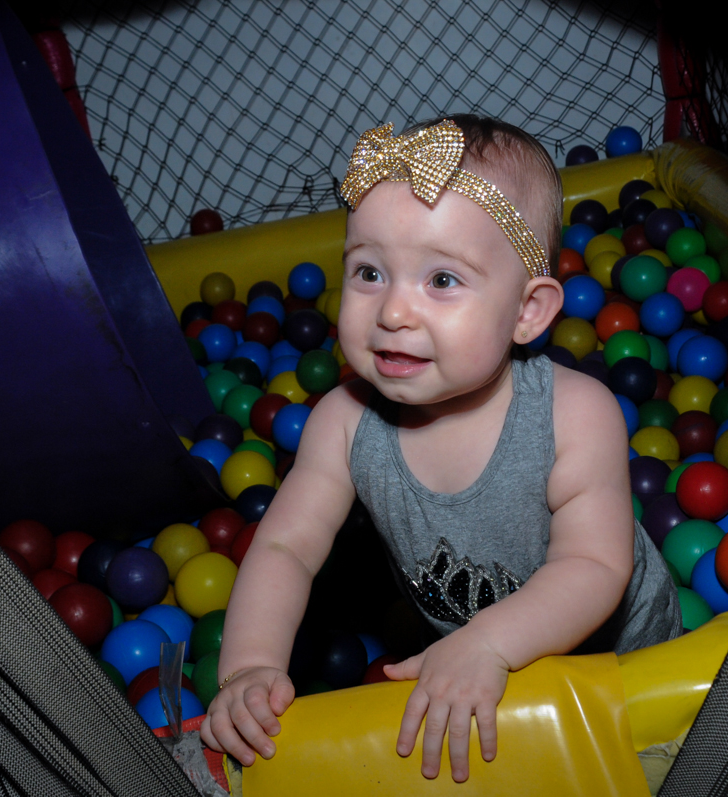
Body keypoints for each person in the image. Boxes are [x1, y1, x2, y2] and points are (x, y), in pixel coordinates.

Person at [201, 114, 680, 783]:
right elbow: (284, 546)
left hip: (626, 660)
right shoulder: (342, 422)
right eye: (369, 272)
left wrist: (486, 642)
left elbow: (596, 564)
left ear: (527, 312)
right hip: (465, 660)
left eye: (442, 281)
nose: (394, 311)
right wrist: (250, 665)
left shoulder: (574, 413)